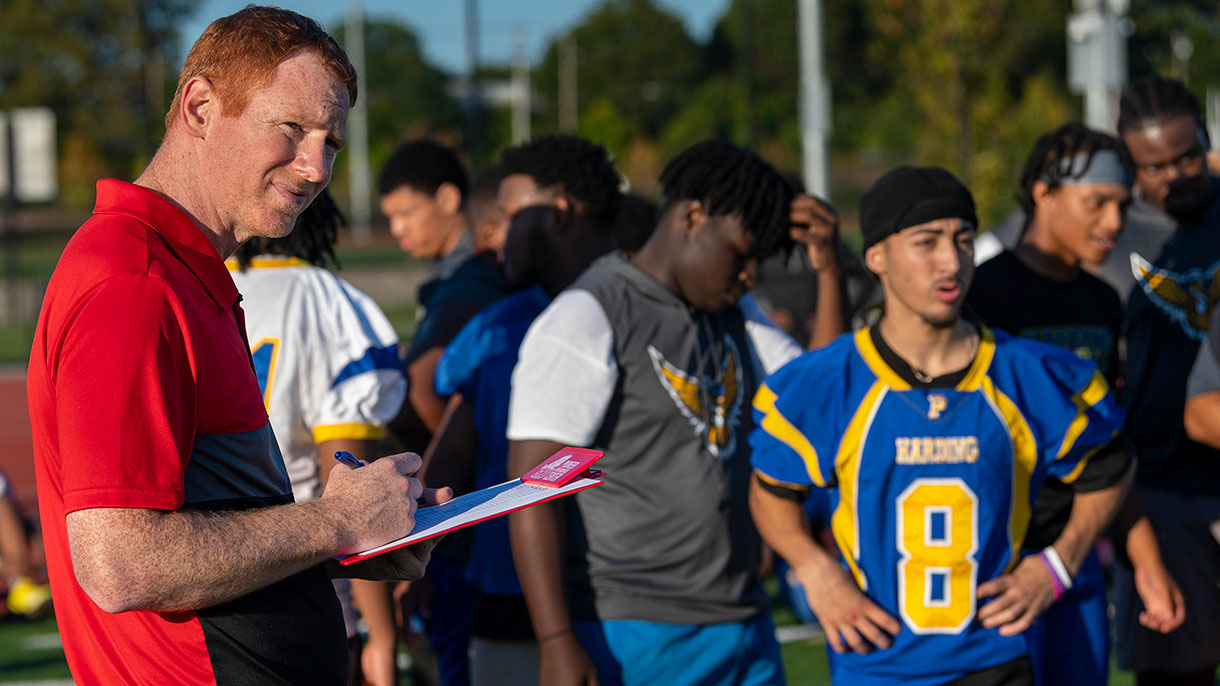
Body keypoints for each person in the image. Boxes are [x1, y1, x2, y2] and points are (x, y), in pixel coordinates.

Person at [26, 8, 445, 683]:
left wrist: (354, 532)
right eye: (293, 129)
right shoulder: (133, 281)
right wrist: (335, 522)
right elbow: (122, 563)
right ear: (198, 106)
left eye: (331, 143)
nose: (315, 168)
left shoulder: (180, 271)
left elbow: (209, 529)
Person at [750, 166, 1132, 685]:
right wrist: (816, 572)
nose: (951, 261)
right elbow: (771, 488)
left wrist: (1058, 565)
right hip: (875, 664)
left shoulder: (1027, 373)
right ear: (877, 257)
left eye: (963, 240)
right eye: (926, 242)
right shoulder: (830, 381)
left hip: (995, 663)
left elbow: (1111, 468)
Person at [506, 140, 842, 686]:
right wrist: (557, 640)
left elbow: (823, 399)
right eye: (742, 253)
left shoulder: (737, 315)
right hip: (635, 632)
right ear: (692, 216)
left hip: (745, 625)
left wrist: (828, 271)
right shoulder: (591, 313)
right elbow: (530, 492)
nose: (751, 275)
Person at [968, 123, 1184, 685]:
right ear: (1044, 193)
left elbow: (1110, 445)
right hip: (998, 563)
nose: (1114, 223)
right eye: (1097, 203)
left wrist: (1147, 561)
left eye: (1121, 205)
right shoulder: (982, 297)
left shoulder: (1102, 302)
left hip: (1079, 550)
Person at [423, 134, 624, 686]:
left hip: (617, 596)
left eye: (511, 216)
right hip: (504, 590)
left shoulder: (639, 309)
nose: (496, 234)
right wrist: (415, 544)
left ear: (558, 216)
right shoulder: (496, 325)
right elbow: (456, 446)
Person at [229, 188, 405, 686]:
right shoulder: (327, 301)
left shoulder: (200, 290)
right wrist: (384, 637)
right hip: (306, 575)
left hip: (209, 575)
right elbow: (348, 480)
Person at [1095, 75, 1220, 686]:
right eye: (1154, 166)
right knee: (1180, 671)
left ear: (1206, 135)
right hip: (1159, 492)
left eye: (1187, 156)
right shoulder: (1107, 238)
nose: (1174, 176)